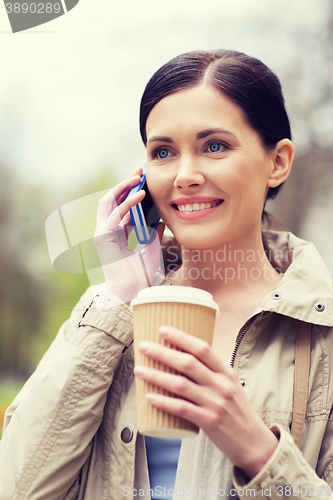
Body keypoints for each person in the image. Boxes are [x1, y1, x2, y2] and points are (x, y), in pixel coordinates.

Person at [1, 49, 333, 500]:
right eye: (163, 152)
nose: (185, 175)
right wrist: (117, 300)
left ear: (277, 162)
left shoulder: (322, 333)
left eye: (214, 146)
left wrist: (259, 452)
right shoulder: (114, 317)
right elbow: (17, 488)